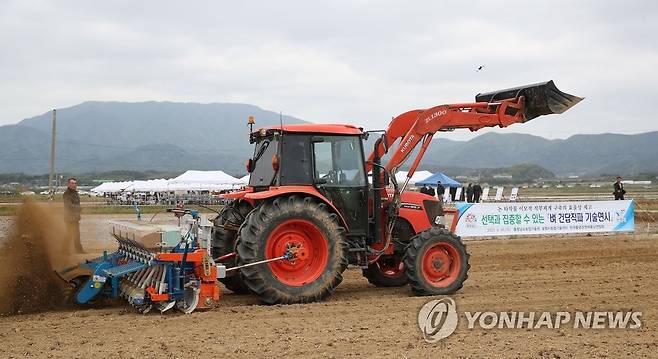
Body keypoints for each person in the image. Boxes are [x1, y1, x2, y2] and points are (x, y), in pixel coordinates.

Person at [63, 177, 84, 253]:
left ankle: (78, 250)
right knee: (70, 235)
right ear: (68, 184)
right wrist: (78, 208)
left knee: (75, 235)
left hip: (75, 218)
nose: (74, 185)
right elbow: (68, 205)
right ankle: (66, 251)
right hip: (69, 218)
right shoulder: (67, 194)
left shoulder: (75, 193)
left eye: (75, 183)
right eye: (72, 183)